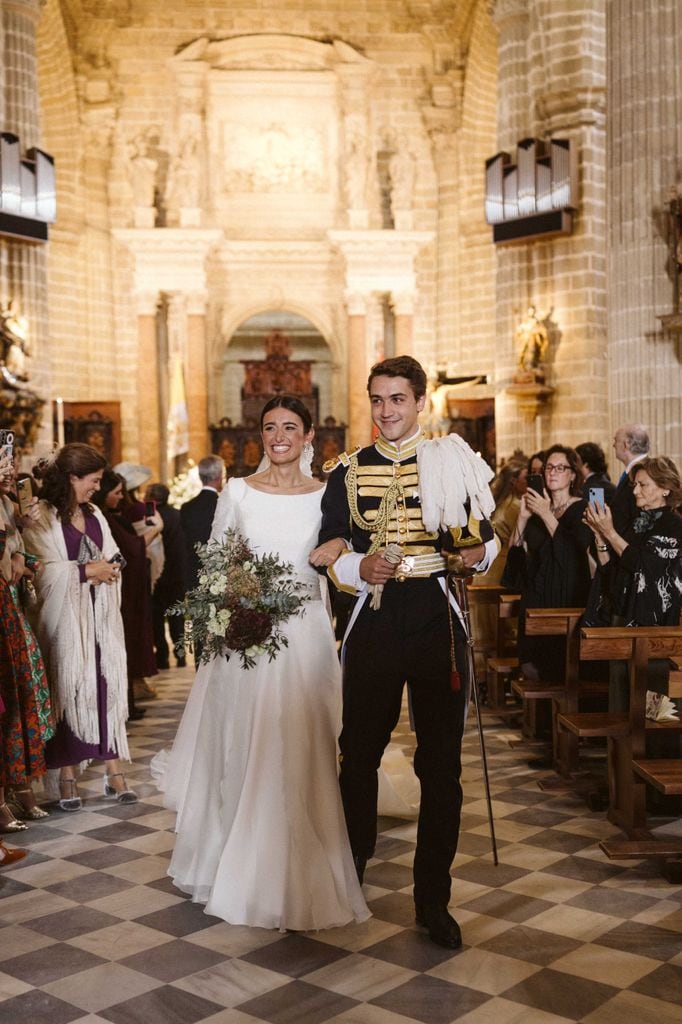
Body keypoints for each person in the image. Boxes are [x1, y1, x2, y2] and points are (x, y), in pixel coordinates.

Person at [157, 396, 369, 931]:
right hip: (249, 639)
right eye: (270, 427)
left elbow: (342, 555)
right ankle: (241, 861)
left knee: (306, 747)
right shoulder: (238, 491)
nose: (280, 436)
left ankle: (304, 865)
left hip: (308, 637)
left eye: (290, 427)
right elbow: (220, 564)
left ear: (308, 435)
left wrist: (344, 543)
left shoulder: (328, 496)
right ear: (260, 435)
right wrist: (234, 611)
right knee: (248, 746)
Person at [315, 355, 498, 950]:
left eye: (397, 399)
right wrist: (354, 565)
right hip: (373, 619)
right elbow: (327, 546)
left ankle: (433, 900)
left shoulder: (452, 460)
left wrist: (478, 557)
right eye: (377, 399)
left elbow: (484, 540)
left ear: (420, 402)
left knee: (440, 765)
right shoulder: (347, 470)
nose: (386, 410)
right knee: (359, 754)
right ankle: (352, 877)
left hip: (435, 623)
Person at [23, 444, 137, 809]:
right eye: (93, 480)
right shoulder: (42, 515)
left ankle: (113, 770)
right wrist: (87, 571)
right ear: (71, 477)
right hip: (66, 623)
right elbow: (41, 570)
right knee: (69, 688)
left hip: (100, 619)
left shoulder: (95, 513)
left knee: (106, 688)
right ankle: (67, 777)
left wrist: (111, 566)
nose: (96, 488)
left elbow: (113, 551)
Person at [584, 456, 682, 716]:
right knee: (620, 699)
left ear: (665, 488)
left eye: (643, 485)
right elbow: (612, 571)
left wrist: (610, 533)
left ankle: (652, 756)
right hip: (623, 615)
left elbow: (644, 568)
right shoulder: (637, 523)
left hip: (652, 625)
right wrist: (601, 539)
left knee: (651, 705)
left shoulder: (673, 525)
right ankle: (620, 757)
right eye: (634, 485)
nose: (636, 490)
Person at [504, 444, 592, 682]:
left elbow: (574, 558)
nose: (552, 472)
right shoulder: (538, 507)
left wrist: (546, 514)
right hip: (535, 598)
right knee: (532, 670)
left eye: (560, 467)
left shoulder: (582, 509)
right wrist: (522, 518)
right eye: (549, 467)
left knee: (558, 672)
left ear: (573, 474)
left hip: (566, 599)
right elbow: (514, 565)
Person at [0, 453, 53, 822]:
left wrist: (22, 542)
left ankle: (21, 787)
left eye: (9, 459)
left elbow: (17, 551)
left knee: (22, 693)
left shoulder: (6, 500)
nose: (7, 468)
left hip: (11, 603)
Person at [91, 470, 164, 721]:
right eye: (116, 492)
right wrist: (157, 528)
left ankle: (127, 704)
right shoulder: (101, 516)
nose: (121, 498)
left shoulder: (108, 516)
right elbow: (128, 550)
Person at [180, 455, 224, 664]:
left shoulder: (187, 508)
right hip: (221, 577)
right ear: (220, 476)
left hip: (194, 575)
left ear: (200, 476)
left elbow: (184, 544)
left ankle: (200, 669)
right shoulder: (223, 504)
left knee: (199, 628)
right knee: (222, 628)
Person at [146, 482, 187, 670]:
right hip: (176, 573)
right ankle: (180, 657)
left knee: (157, 619)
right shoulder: (178, 515)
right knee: (176, 617)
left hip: (157, 574)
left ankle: (162, 657)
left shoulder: (150, 516)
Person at [610, 423, 650, 532]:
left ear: (626, 444)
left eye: (616, 441)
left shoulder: (647, 472)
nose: (613, 445)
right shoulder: (632, 471)